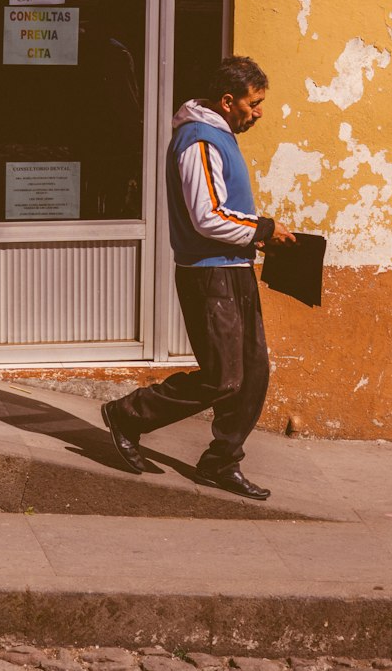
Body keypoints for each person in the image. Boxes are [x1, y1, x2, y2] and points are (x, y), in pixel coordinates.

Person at [101, 56, 295, 500]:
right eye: (254, 102)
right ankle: (129, 415)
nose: (259, 111)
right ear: (228, 101)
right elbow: (207, 217)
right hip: (210, 278)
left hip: (233, 271)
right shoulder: (199, 139)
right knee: (223, 378)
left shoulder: (219, 136)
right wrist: (261, 228)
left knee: (253, 375)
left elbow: (222, 215)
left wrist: (258, 237)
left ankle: (221, 462)